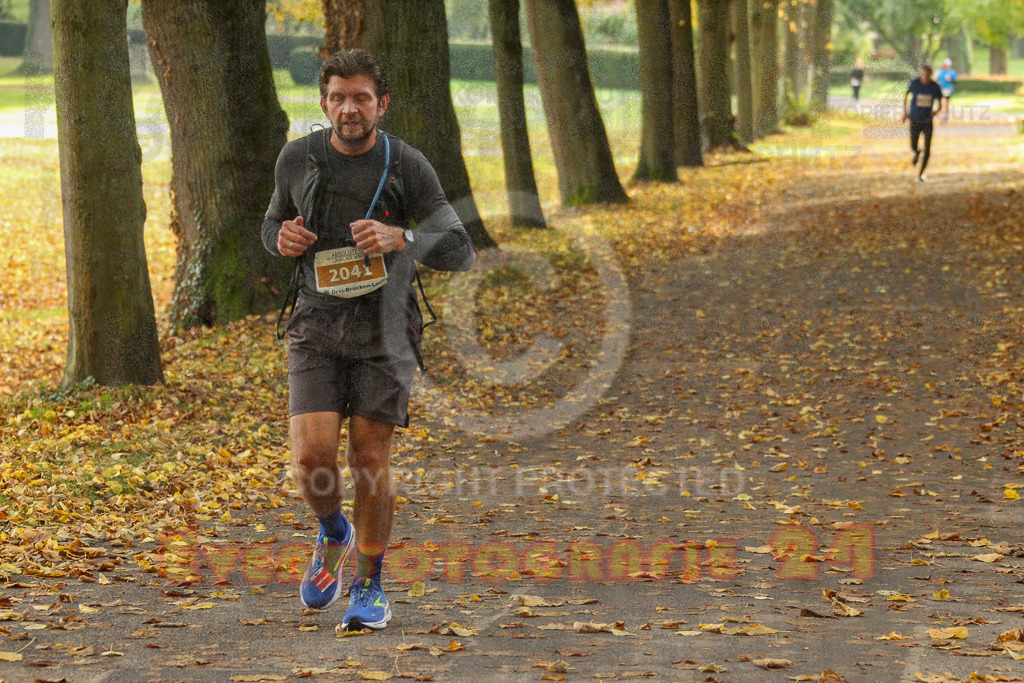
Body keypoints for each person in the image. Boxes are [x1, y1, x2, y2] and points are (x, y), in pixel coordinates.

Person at [261, 49, 475, 630]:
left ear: (381, 103)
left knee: (368, 459)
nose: (349, 108)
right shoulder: (298, 158)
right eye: (338, 97)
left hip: (386, 330)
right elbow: (271, 222)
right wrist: (280, 238)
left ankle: (370, 584)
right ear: (324, 102)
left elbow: (460, 248)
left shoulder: (406, 165)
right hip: (316, 323)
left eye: (361, 97)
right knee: (311, 459)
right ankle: (334, 531)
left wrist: (401, 235)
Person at [902, 63, 943, 181]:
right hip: (915, 118)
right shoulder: (914, 83)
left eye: (928, 72)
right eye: (924, 72)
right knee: (913, 145)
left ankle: (921, 173)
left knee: (928, 147)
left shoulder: (935, 87)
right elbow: (906, 95)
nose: (926, 75)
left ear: (931, 74)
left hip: (927, 121)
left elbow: (940, 103)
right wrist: (905, 112)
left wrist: (936, 110)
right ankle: (917, 151)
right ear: (921, 73)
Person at [936, 58, 958, 124]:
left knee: (946, 104)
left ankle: (945, 117)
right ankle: (943, 118)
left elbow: (955, 81)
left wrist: (950, 80)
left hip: (948, 90)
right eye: (945, 65)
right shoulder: (940, 71)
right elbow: (936, 79)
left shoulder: (952, 72)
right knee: (943, 103)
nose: (945, 66)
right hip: (941, 89)